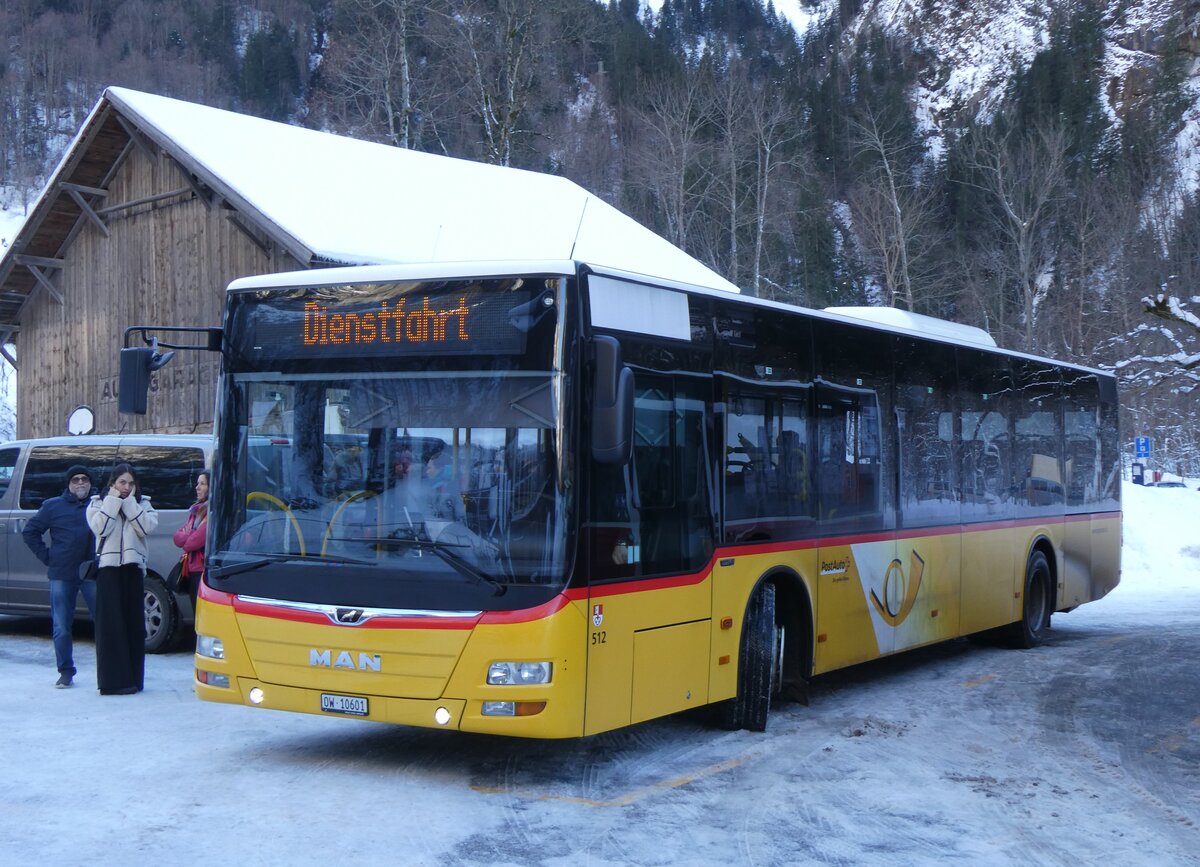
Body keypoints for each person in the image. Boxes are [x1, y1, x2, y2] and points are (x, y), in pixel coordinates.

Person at [21, 465, 98, 688]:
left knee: (103, 622)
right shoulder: (53, 506)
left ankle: (108, 670)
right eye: (75, 480)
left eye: (84, 479)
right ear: (68, 484)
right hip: (62, 573)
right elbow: (30, 532)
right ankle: (65, 671)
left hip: (92, 573)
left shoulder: (98, 505)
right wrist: (48, 557)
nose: (81, 483)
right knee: (61, 626)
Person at [87, 463, 158, 696]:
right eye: (122, 482)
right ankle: (112, 682)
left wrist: (129, 504)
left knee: (133, 625)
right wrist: (113, 501)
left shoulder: (143, 504)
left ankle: (133, 679)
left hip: (133, 569)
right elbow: (100, 528)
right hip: (108, 571)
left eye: (130, 483)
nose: (126, 487)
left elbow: (146, 528)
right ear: (112, 483)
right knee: (110, 625)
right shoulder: (98, 503)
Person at [173, 470, 209, 589]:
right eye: (198, 483)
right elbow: (177, 538)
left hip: (202, 570)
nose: (197, 487)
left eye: (202, 484)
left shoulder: (211, 512)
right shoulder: (196, 510)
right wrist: (191, 534)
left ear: (211, 488)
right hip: (192, 568)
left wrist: (188, 533)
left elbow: (191, 543)